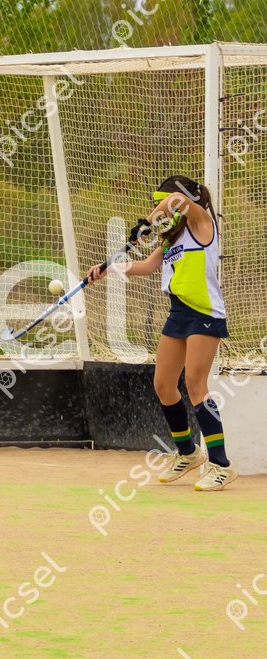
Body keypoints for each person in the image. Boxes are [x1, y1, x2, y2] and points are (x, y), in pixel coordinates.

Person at [88, 175, 237, 491]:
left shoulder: (201, 222)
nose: (161, 210)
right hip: (179, 313)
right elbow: (146, 266)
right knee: (163, 385)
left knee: (195, 384)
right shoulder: (172, 238)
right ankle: (188, 453)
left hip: (204, 313)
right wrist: (109, 268)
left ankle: (221, 465)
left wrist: (146, 223)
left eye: (162, 204)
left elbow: (175, 202)